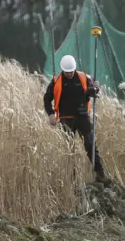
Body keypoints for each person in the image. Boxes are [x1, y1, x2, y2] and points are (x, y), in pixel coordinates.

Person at [44, 54, 107, 182]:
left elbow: (94, 89)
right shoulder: (56, 81)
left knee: (90, 145)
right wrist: (50, 113)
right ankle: (72, 180)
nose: (69, 74)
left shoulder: (84, 77)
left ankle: (101, 175)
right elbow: (46, 98)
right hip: (65, 119)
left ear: (74, 69)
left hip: (83, 117)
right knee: (69, 150)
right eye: (67, 72)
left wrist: (95, 88)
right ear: (63, 70)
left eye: (71, 71)